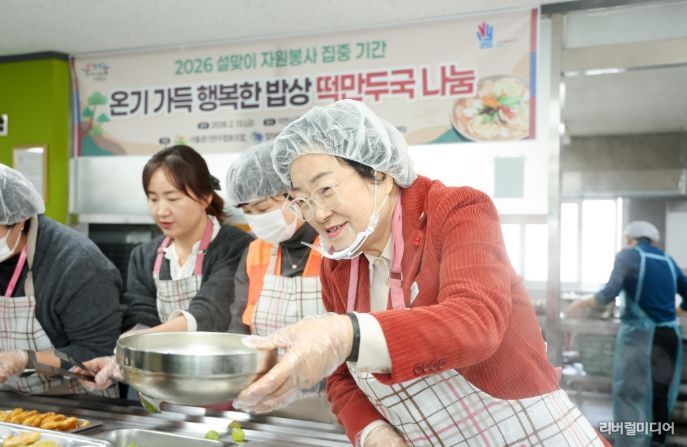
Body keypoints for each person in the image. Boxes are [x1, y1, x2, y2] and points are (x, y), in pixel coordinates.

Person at [233, 100, 610, 447]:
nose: (317, 214)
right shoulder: (339, 262)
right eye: (303, 200)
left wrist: (347, 333)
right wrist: (373, 432)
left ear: (378, 173)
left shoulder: (458, 210)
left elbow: (476, 321)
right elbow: (341, 377)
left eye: (326, 189)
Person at [85, 145, 253, 388]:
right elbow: (141, 315)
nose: (161, 210)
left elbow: (210, 311)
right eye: (153, 199)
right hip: (162, 382)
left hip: (220, 382)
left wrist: (136, 344)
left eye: (173, 198)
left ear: (205, 198)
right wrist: (123, 359)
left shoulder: (235, 246)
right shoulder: (144, 256)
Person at [0, 164, 121, 395]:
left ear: (19, 220)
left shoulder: (78, 264)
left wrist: (25, 359)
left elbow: (97, 354)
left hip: (77, 400)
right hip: (9, 400)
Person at [566, 221, 687, 447]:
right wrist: (677, 313)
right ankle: (656, 442)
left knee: (632, 394)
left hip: (642, 339)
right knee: (660, 395)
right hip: (669, 337)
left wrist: (581, 304)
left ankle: (632, 443)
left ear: (630, 240)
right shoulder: (668, 260)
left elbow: (608, 293)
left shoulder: (629, 255)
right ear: (653, 240)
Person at [225, 141, 324, 336]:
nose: (257, 218)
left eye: (262, 208)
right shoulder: (255, 252)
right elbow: (239, 322)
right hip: (264, 355)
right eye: (248, 212)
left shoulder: (335, 247)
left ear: (296, 195)